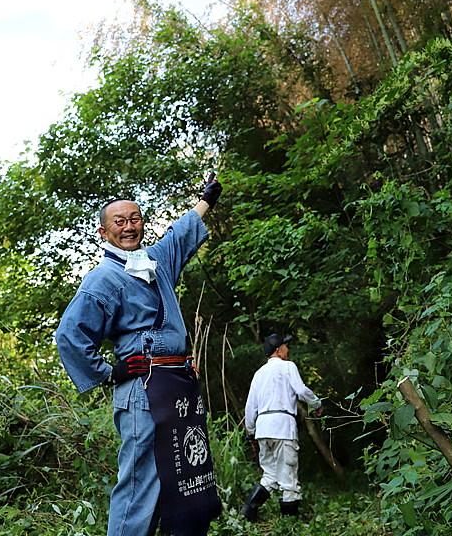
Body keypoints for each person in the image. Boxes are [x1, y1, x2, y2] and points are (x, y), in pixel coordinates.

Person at [56, 175, 223, 536]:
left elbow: (180, 234)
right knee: (141, 480)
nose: (129, 226)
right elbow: (70, 335)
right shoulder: (102, 278)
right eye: (120, 221)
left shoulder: (156, 261)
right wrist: (108, 373)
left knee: (181, 472)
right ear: (104, 233)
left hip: (177, 384)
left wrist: (207, 198)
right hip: (142, 389)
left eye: (135, 218)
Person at [240, 333, 323, 521]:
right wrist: (317, 404)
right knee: (289, 479)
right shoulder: (287, 367)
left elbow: (250, 407)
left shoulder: (259, 373)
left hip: (263, 428)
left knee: (269, 475)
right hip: (283, 428)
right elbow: (301, 390)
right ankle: (289, 525)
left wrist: (251, 431)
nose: (288, 349)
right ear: (278, 350)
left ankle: (248, 513)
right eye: (286, 346)